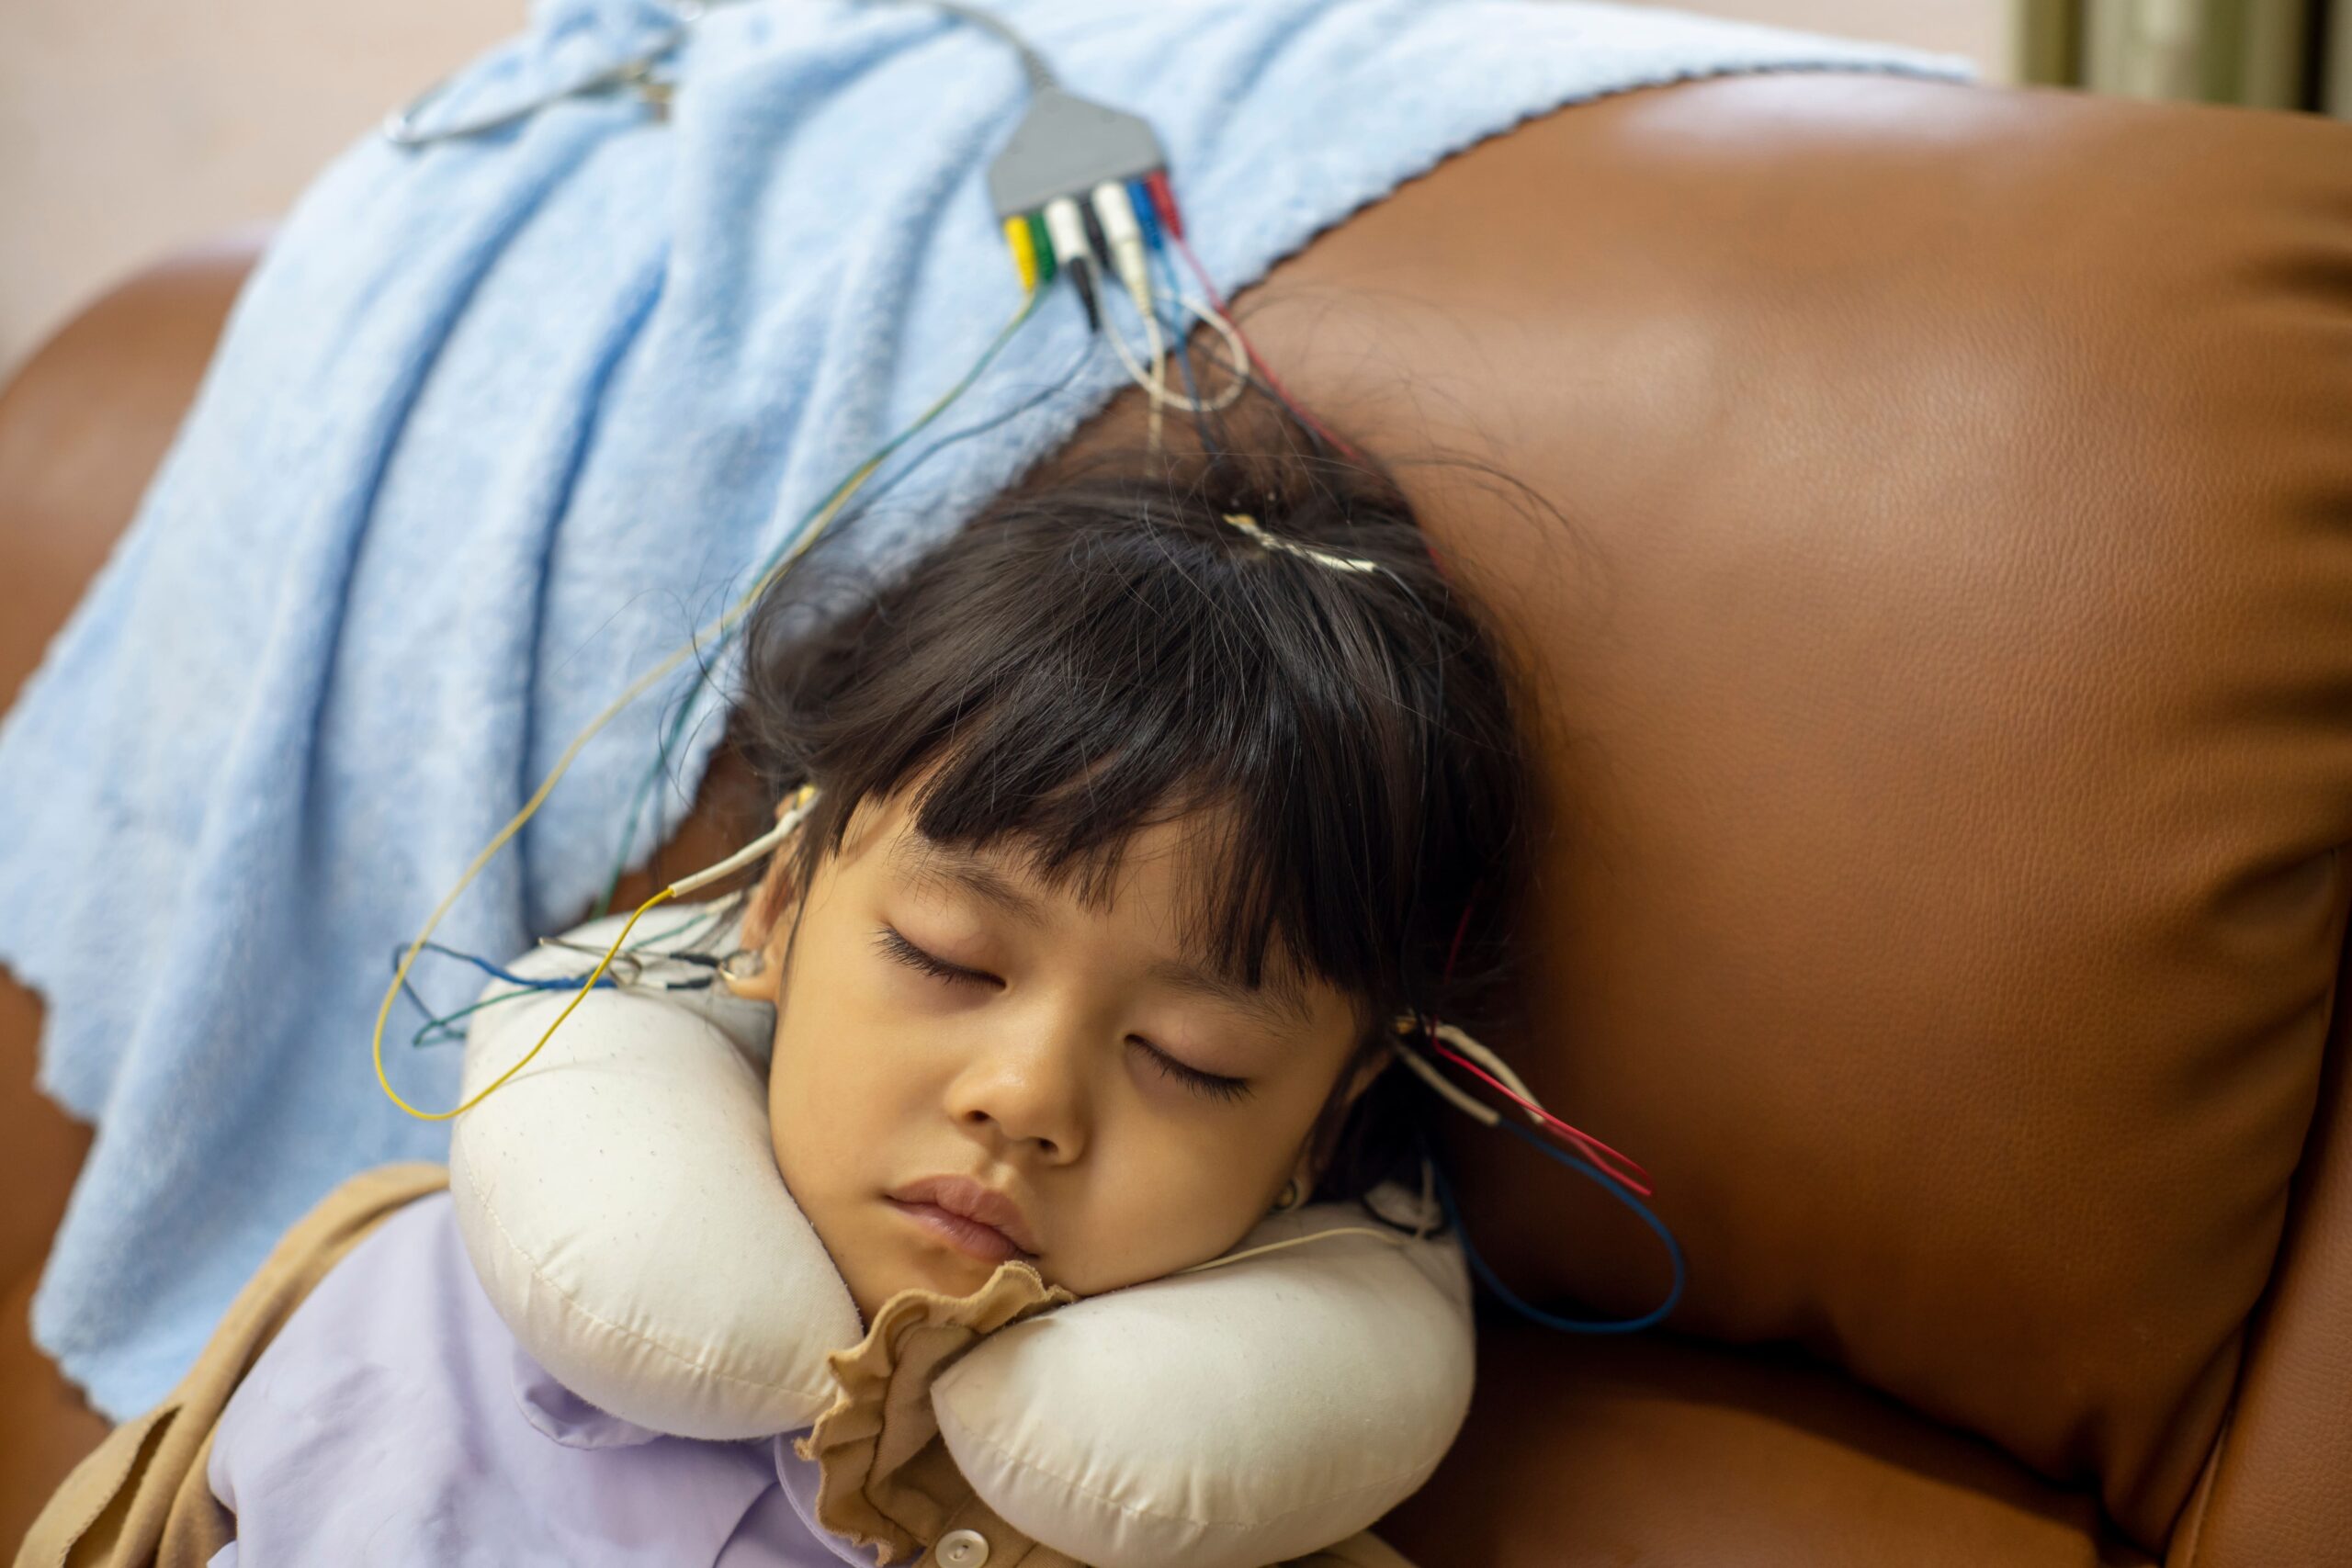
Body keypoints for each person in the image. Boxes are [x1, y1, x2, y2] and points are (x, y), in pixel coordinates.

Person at [25, 410, 1537, 1565]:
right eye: (950, 959)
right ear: (777, 904)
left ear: (1327, 1123)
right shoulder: (393, 1293)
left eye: (1193, 1057)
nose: (1021, 1098)